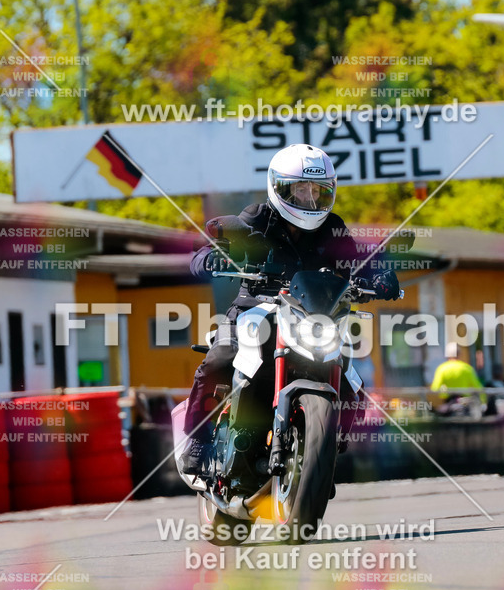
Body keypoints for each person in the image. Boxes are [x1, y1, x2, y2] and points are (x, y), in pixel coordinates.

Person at [181, 144, 401, 474]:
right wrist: (210, 257)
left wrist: (380, 276)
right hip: (256, 309)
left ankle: (322, 448)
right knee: (221, 356)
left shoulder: (333, 228)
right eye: (300, 189)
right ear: (279, 187)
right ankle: (199, 436)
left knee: (353, 384)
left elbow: (359, 261)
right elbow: (212, 245)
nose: (309, 200)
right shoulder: (258, 218)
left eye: (317, 191)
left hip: (313, 316)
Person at [430, 343, 485, 414]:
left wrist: (444, 392)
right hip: (465, 403)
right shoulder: (467, 368)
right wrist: (483, 401)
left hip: (449, 402)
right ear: (459, 354)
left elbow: (435, 388)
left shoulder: (442, 369)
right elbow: (478, 387)